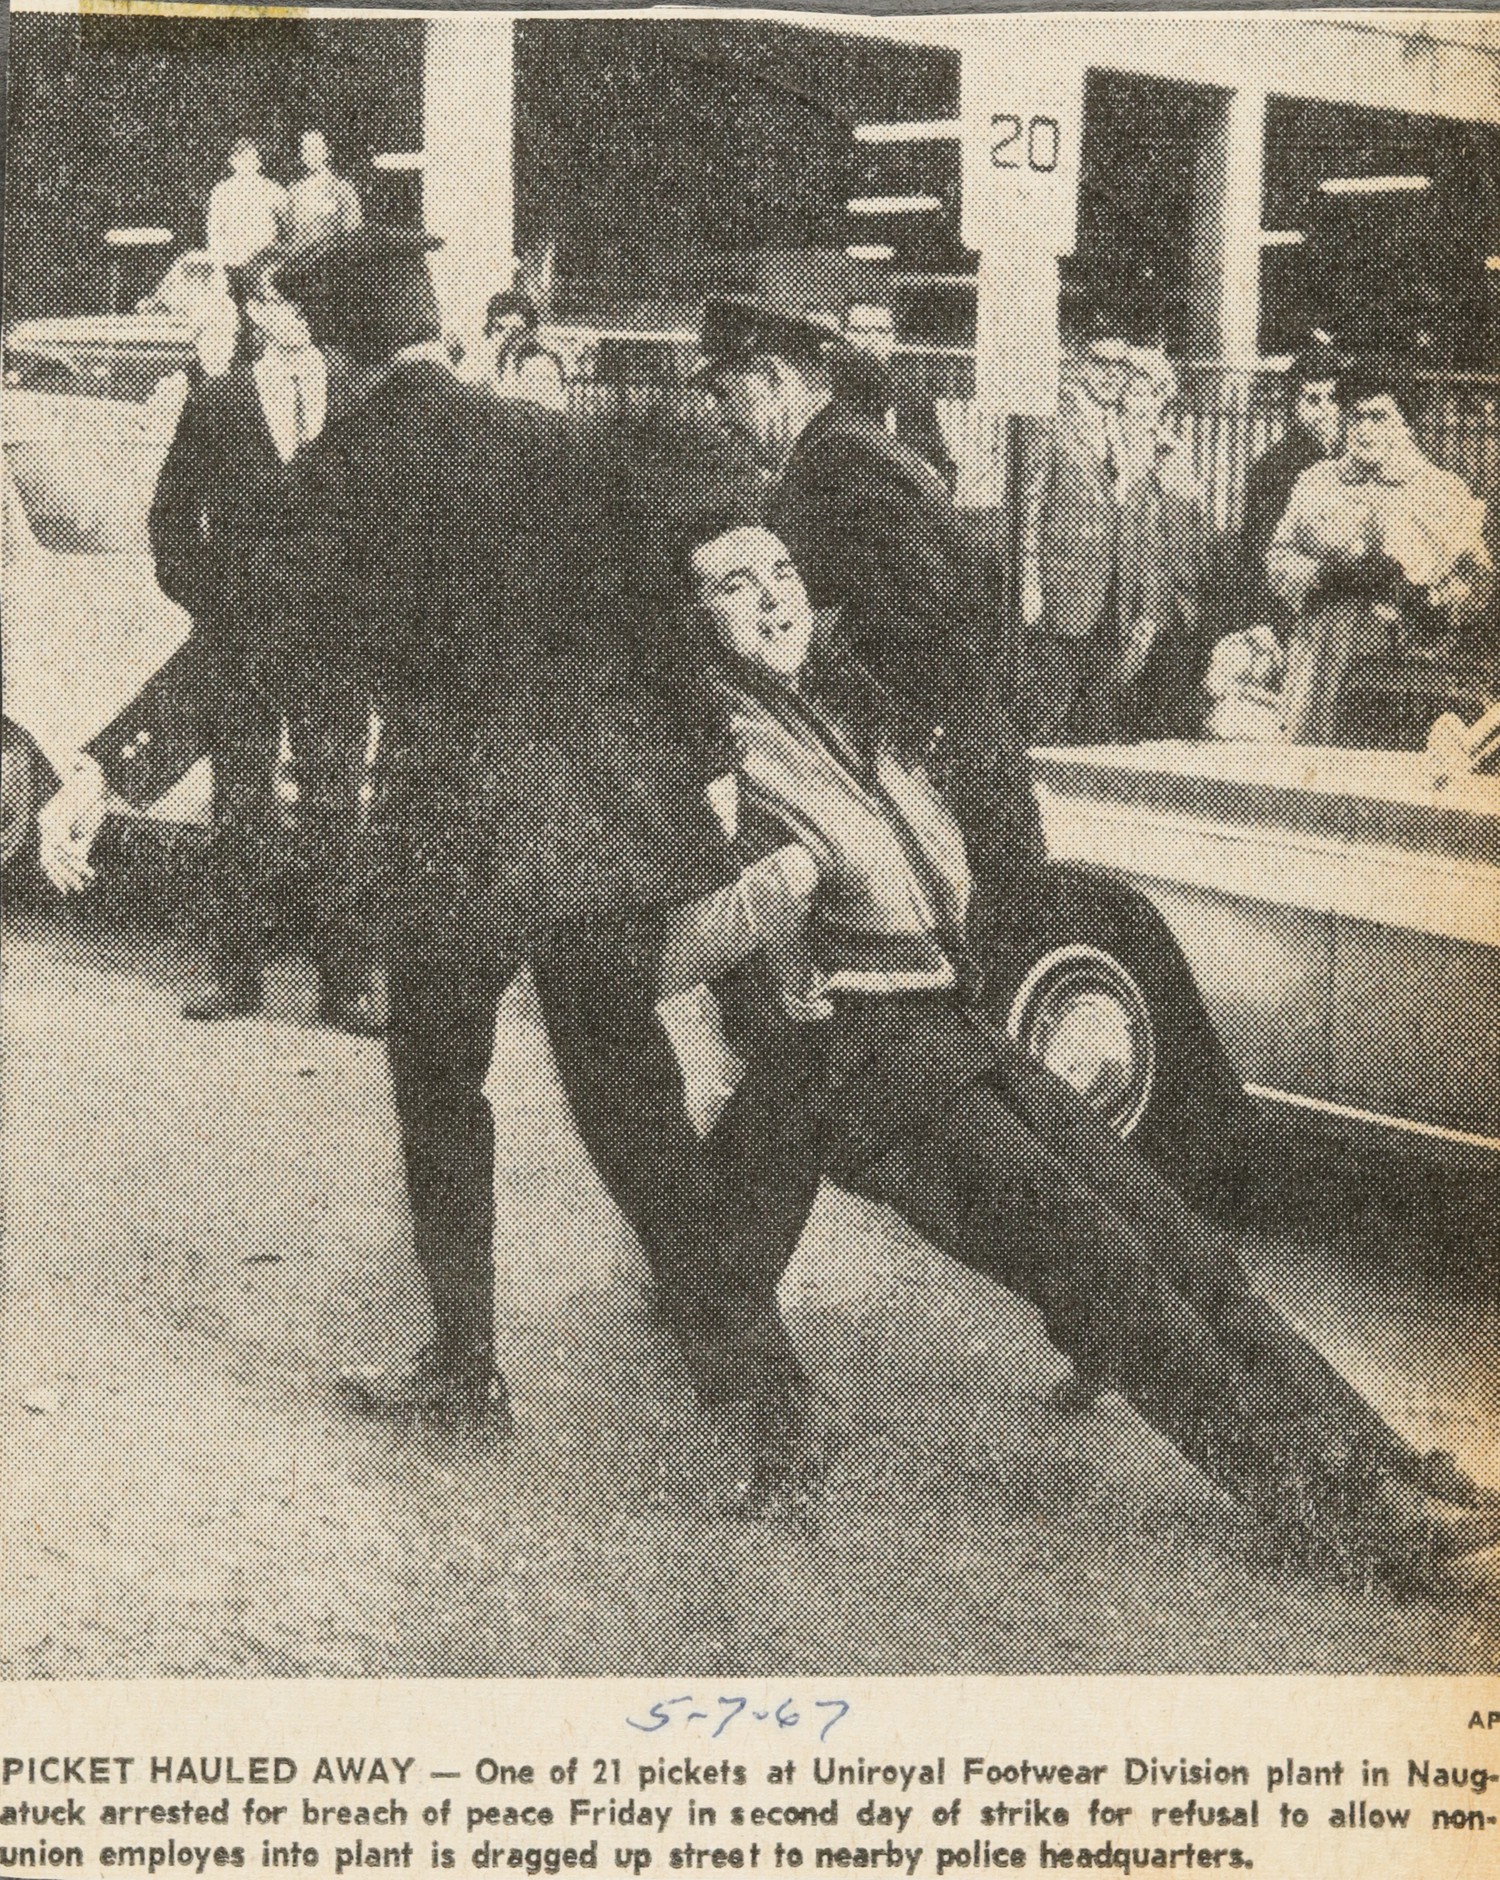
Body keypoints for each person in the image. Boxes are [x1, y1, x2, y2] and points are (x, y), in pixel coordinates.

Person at [544, 510, 1499, 1576]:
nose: (775, 596)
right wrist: (774, 892)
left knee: (1180, 1243)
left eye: (782, 570)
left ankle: (1384, 1460)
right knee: (1108, 1273)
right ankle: (1337, 1520)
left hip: (953, 1029)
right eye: (734, 584)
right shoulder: (707, 752)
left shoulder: (842, 709)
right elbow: (654, 957)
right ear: (694, 620)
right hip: (869, 1068)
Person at [39, 245, 381, 1030]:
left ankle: (347, 981)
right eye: (279, 303)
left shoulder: (361, 396)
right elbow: (169, 520)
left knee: (336, 805)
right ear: (255, 313)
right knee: (241, 806)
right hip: (242, 640)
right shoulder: (220, 404)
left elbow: (397, 516)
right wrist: (211, 600)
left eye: (306, 302)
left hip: (334, 645)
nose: (295, 315)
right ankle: (236, 974)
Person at [1267, 355, 1494, 744]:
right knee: (1320, 765)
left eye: (1379, 417)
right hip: (1327, 652)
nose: (1365, 430)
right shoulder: (1316, 483)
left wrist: (1430, 597)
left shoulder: (1442, 490)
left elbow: (1478, 581)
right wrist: (1326, 576)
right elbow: (1278, 559)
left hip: (1415, 664)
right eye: (1357, 417)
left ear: (1405, 424)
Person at [1017, 306, 1133, 744]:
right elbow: (1027, 507)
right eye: (1100, 363)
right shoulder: (1051, 420)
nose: (1110, 375)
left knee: (1094, 716)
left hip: (1108, 594)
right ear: (1079, 362)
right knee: (1046, 707)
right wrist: (1030, 584)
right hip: (1061, 593)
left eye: (1119, 365)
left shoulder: (1119, 425)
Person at [1113, 344, 1217, 739]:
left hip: (1177, 602)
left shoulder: (1174, 452)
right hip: (1131, 602)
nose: (1146, 404)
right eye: (1137, 392)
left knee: (1170, 717)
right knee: (1125, 709)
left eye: (1155, 393)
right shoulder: (1114, 452)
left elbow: (1194, 529)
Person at [1239, 333, 1344, 629]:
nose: (1324, 409)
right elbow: (1260, 554)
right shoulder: (1274, 469)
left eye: (1332, 398)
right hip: (1289, 611)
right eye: (1312, 399)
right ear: (1294, 406)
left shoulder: (1347, 460)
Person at [834, 302, 956, 491]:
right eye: (860, 331)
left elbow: (942, 465)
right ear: (845, 337)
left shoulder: (916, 399)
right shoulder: (832, 396)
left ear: (892, 339)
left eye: (881, 331)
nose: (871, 341)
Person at [205, 138, 288, 273]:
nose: (247, 163)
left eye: (251, 158)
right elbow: (213, 232)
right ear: (232, 162)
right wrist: (223, 260)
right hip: (232, 262)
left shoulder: (274, 190)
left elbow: (287, 225)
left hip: (267, 263)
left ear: (258, 162)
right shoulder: (221, 192)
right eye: (241, 158)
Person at [287, 131, 364, 251]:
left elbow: (353, 228)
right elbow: (291, 230)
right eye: (306, 149)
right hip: (302, 257)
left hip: (333, 257)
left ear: (326, 152)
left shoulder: (343, 188)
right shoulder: (295, 190)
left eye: (315, 148)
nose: (311, 154)